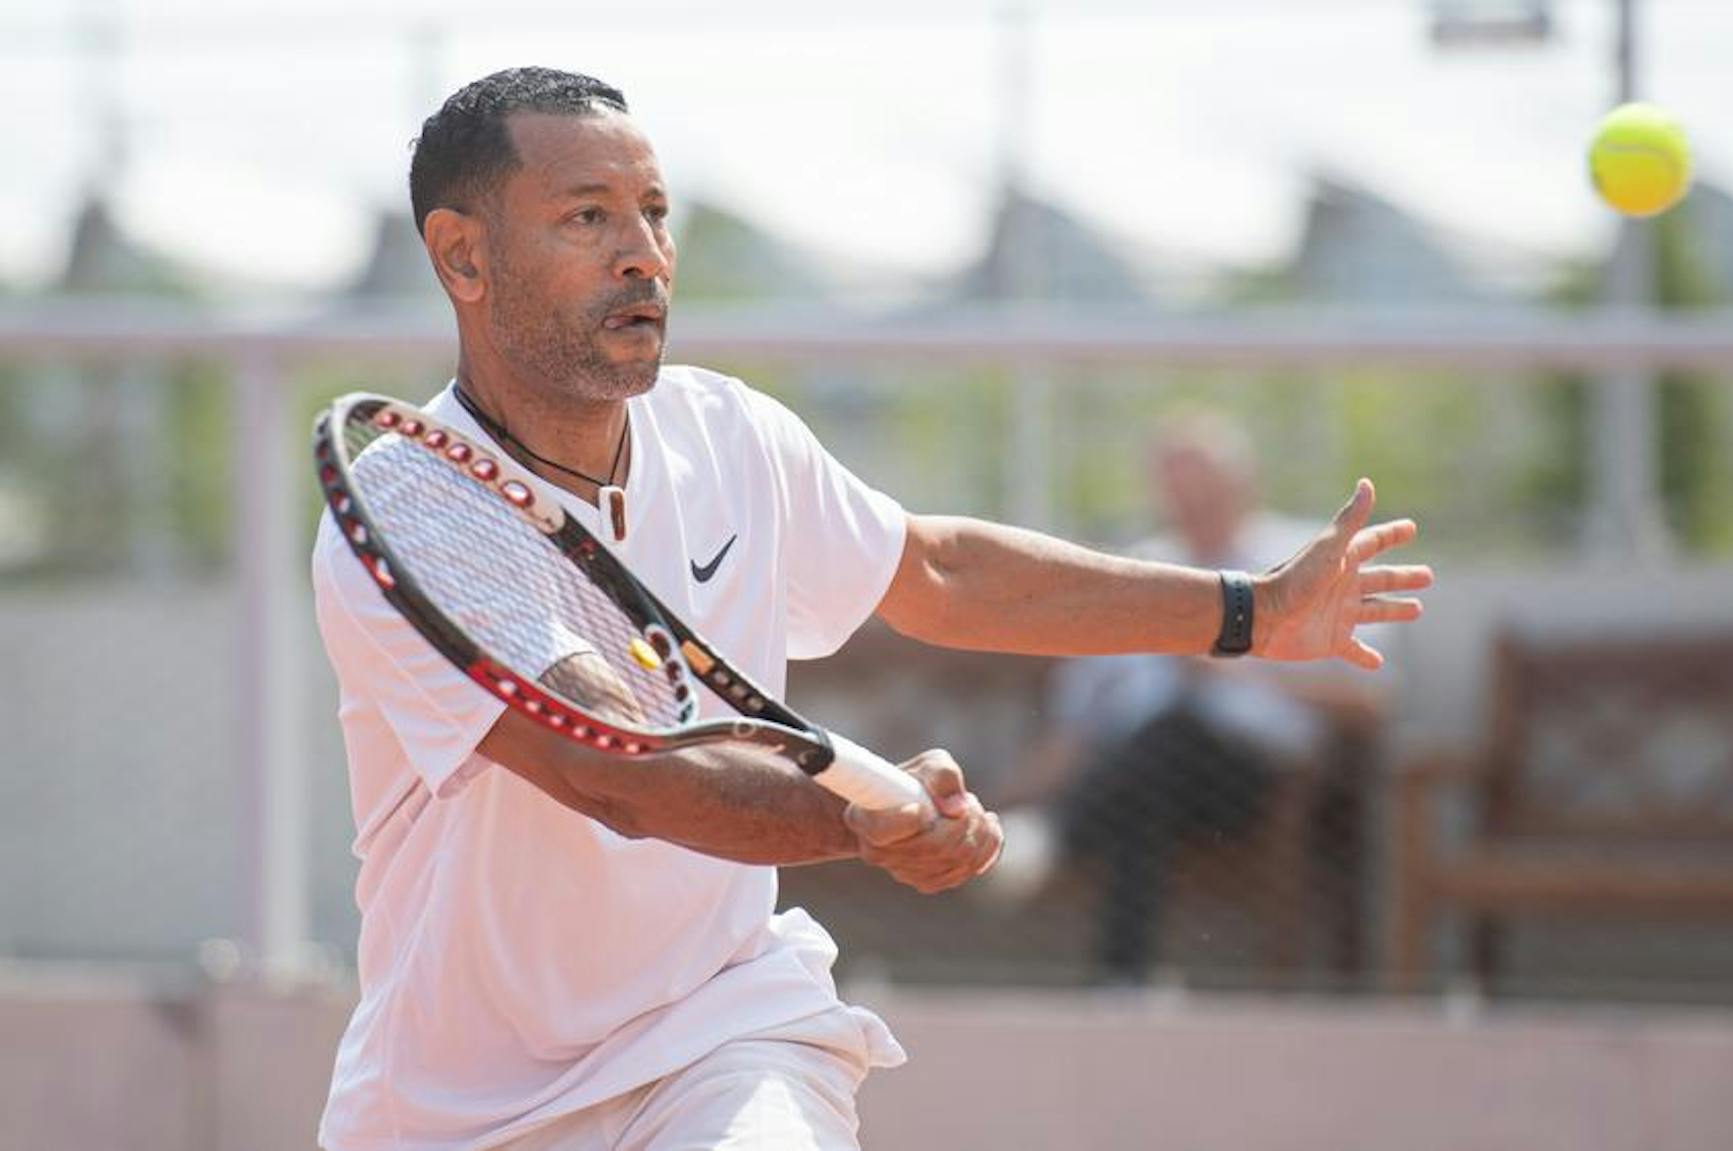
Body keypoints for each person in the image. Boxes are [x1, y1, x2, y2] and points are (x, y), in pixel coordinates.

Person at [311, 67, 1432, 1151]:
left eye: (654, 212)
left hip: (721, 1034)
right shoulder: (411, 504)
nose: (643, 254)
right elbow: (625, 767)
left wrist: (1252, 609)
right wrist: (862, 817)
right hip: (454, 1105)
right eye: (587, 217)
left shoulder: (731, 433)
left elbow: (934, 572)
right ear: (463, 255)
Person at [994, 412, 1395, 982]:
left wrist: (1235, 661)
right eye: (1176, 488)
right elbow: (1080, 725)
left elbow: (1370, 702)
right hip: (1141, 775)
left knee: (1168, 739)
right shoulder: (1133, 571)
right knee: (1147, 777)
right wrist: (998, 800)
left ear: (1242, 485)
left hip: (1262, 776)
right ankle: (1124, 986)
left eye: (1203, 487)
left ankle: (1053, 839)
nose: (1191, 503)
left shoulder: (1303, 560)